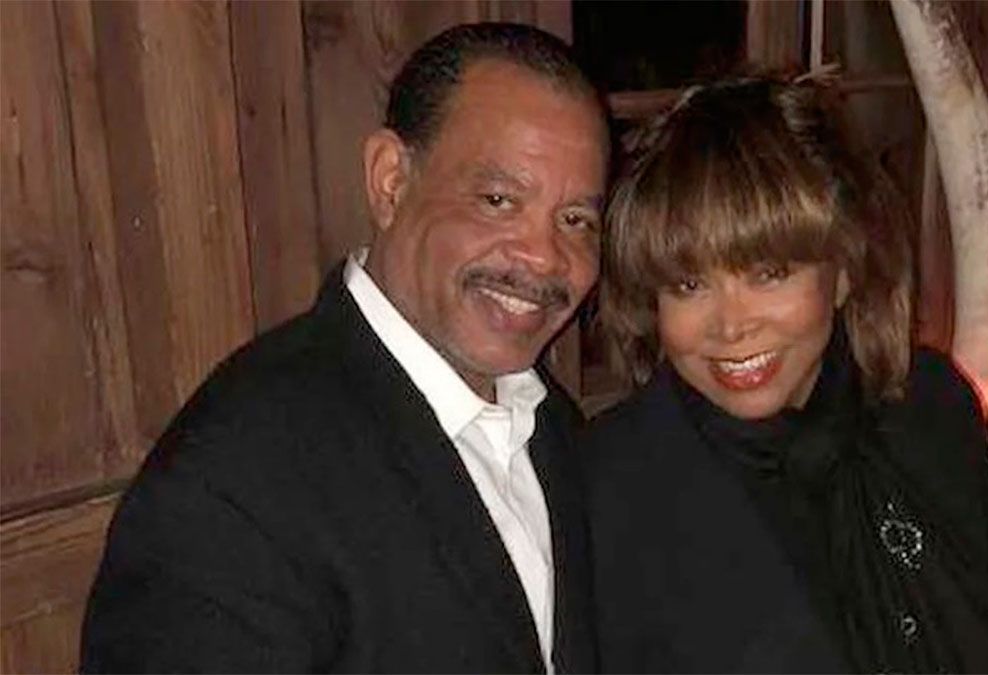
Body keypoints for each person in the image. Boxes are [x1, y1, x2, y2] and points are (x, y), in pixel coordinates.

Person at [581, 74, 988, 674]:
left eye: (769, 273)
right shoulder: (617, 485)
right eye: (688, 285)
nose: (730, 325)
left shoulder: (915, 401)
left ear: (843, 271)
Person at [81, 23, 607, 673]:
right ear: (390, 182)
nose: (545, 257)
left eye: (576, 220)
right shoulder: (232, 480)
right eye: (498, 200)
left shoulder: (546, 420)